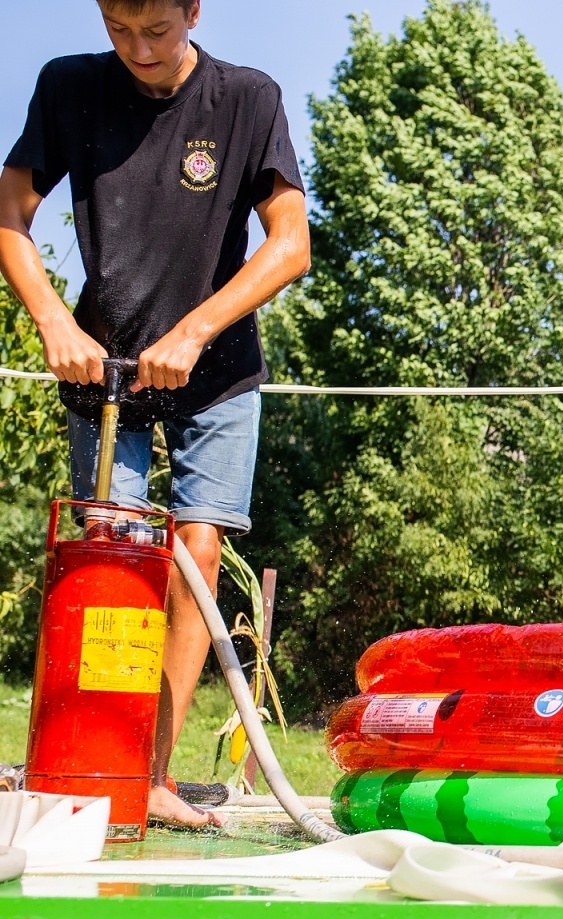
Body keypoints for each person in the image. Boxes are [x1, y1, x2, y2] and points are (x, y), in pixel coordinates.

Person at [0, 0, 310, 826]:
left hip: (216, 368)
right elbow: (10, 215)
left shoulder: (247, 99)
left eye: (157, 31)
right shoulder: (68, 87)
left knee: (193, 557)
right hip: (103, 368)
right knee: (109, 569)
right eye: (117, 27)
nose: (137, 49)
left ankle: (150, 777)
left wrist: (196, 330)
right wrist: (53, 321)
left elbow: (291, 244)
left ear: (194, 11)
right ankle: (85, 760)